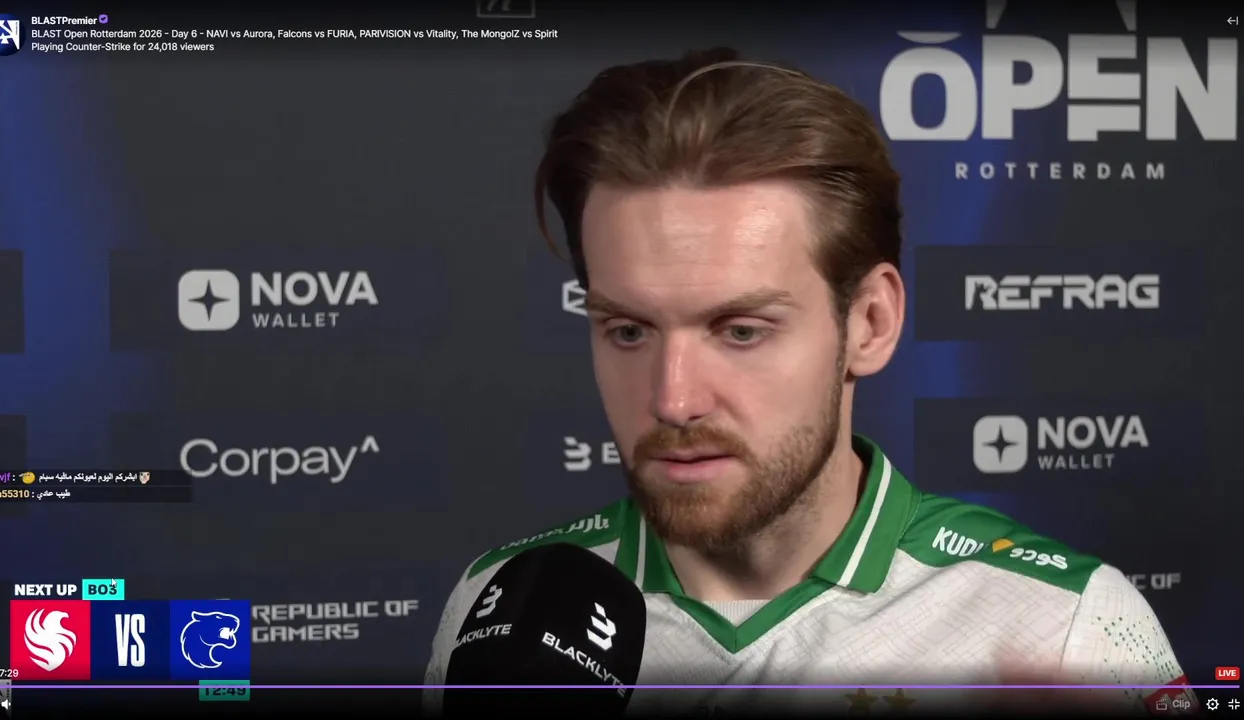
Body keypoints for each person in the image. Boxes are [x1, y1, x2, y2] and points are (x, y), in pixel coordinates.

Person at [424, 48, 1192, 716]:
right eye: (628, 330)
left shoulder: (1065, 626)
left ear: (869, 323)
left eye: (741, 331)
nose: (673, 400)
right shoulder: (497, 607)